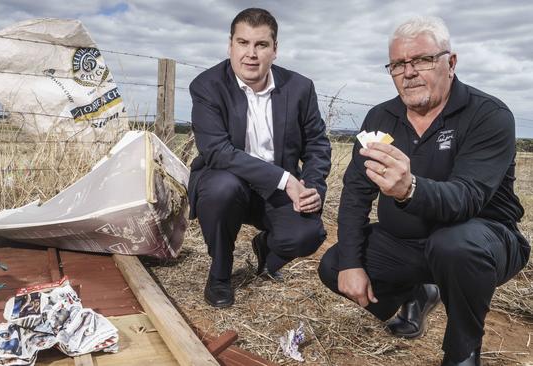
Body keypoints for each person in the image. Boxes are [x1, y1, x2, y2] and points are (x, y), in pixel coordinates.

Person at [318, 15, 530, 366]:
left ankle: (463, 351)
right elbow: (356, 193)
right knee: (335, 265)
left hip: (484, 239)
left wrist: (410, 189)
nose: (409, 71)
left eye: (422, 59)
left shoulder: (488, 115)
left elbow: (467, 197)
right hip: (407, 242)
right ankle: (418, 294)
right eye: (398, 64)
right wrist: (352, 264)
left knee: (453, 245)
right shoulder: (380, 118)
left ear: (451, 62)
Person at [189, 8, 331, 308]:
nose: (251, 54)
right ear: (230, 45)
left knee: (308, 234)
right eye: (243, 43)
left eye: (261, 45)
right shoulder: (207, 86)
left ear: (275, 50)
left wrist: (313, 186)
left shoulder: (300, 88)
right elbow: (217, 151)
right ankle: (220, 274)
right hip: (228, 183)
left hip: (277, 192)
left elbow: (317, 145)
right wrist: (286, 179)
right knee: (222, 188)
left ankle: (266, 248)